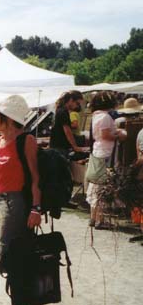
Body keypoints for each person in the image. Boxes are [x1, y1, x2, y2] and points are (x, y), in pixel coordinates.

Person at [0, 95, 43, 305]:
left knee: (12, 254)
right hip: (2, 202)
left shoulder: (26, 140)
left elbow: (35, 178)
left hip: (18, 202)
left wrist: (36, 208)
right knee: (16, 254)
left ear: (8, 118)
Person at [86, 92, 127, 229]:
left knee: (95, 186)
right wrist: (118, 135)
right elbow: (105, 135)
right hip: (105, 153)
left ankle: (93, 217)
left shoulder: (96, 115)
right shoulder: (105, 117)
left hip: (98, 151)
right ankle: (100, 220)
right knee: (102, 187)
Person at [49, 90, 86, 157]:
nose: (77, 106)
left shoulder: (60, 110)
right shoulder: (63, 112)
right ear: (71, 100)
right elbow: (67, 131)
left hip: (57, 145)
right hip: (60, 147)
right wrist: (75, 146)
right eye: (77, 103)